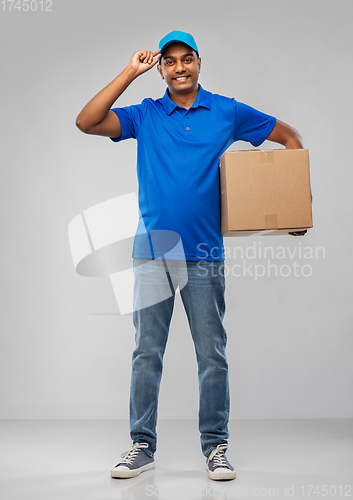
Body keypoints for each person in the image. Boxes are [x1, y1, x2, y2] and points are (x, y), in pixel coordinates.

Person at [76, 30, 306, 481]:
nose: (179, 67)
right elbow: (87, 121)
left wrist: (298, 201)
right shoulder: (146, 114)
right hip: (151, 254)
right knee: (146, 353)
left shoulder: (226, 111)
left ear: (199, 63)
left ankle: (215, 448)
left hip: (205, 254)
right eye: (170, 61)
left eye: (187, 59)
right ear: (160, 69)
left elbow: (290, 137)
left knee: (211, 355)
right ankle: (142, 446)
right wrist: (129, 71)